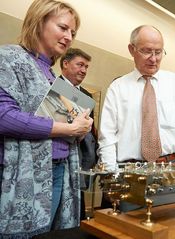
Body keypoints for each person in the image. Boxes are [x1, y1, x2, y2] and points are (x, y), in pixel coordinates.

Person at [0, 0, 93, 237]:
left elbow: (63, 125)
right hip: (26, 173)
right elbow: (4, 117)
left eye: (73, 32)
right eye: (63, 28)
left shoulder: (51, 75)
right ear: (39, 21)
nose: (69, 37)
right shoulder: (8, 57)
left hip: (60, 168)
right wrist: (67, 129)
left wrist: (81, 127)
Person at [98, 25, 175, 171]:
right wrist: (111, 172)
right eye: (147, 51)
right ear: (132, 50)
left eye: (159, 52)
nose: (154, 59)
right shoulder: (117, 88)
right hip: (129, 171)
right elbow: (107, 136)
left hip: (172, 168)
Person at [59, 48, 98, 220]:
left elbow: (92, 128)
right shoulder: (52, 85)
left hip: (82, 156)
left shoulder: (87, 96)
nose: (84, 70)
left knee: (78, 204)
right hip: (59, 153)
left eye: (86, 67)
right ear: (65, 64)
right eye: (80, 65)